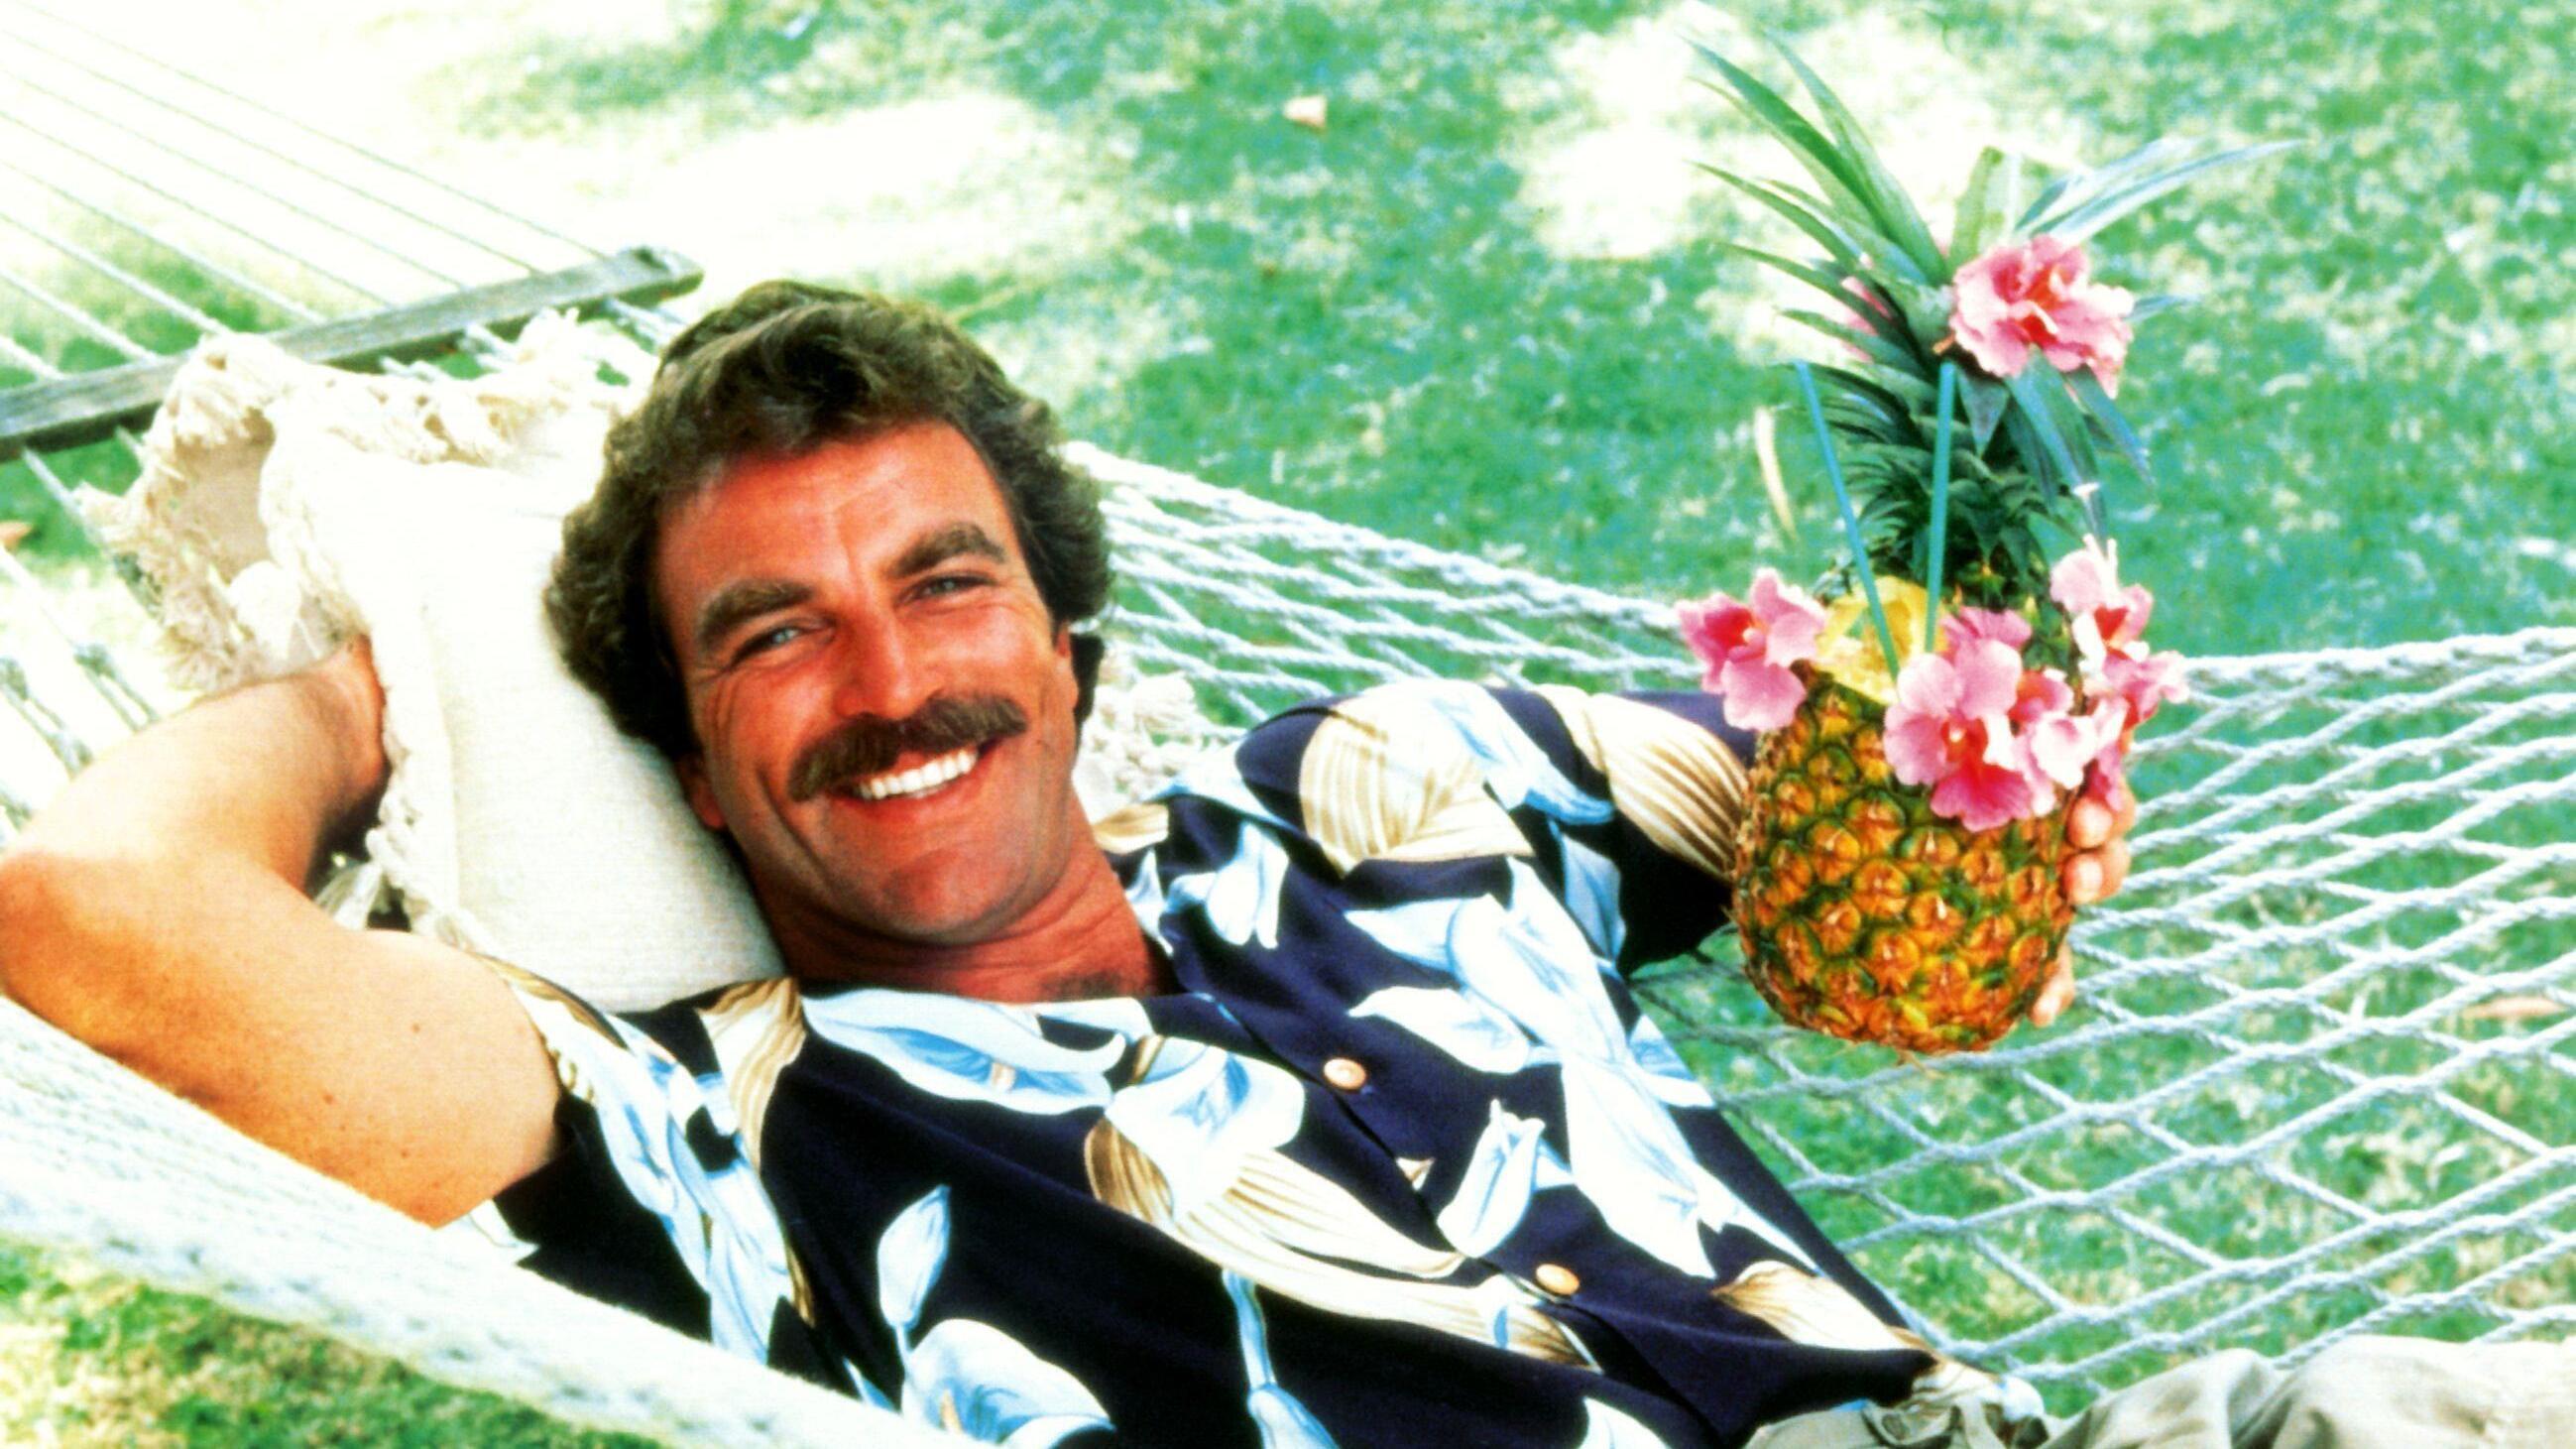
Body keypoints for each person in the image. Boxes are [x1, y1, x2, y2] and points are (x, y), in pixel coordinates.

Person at [0, 283, 2557, 1449]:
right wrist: (381, 680)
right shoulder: (714, 1124)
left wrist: (2006, 801)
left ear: (1074, 650)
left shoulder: (1395, 777)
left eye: (946, 584)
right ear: (688, 764)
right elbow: (92, 931)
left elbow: (1858, 813)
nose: (889, 682)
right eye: (768, 638)